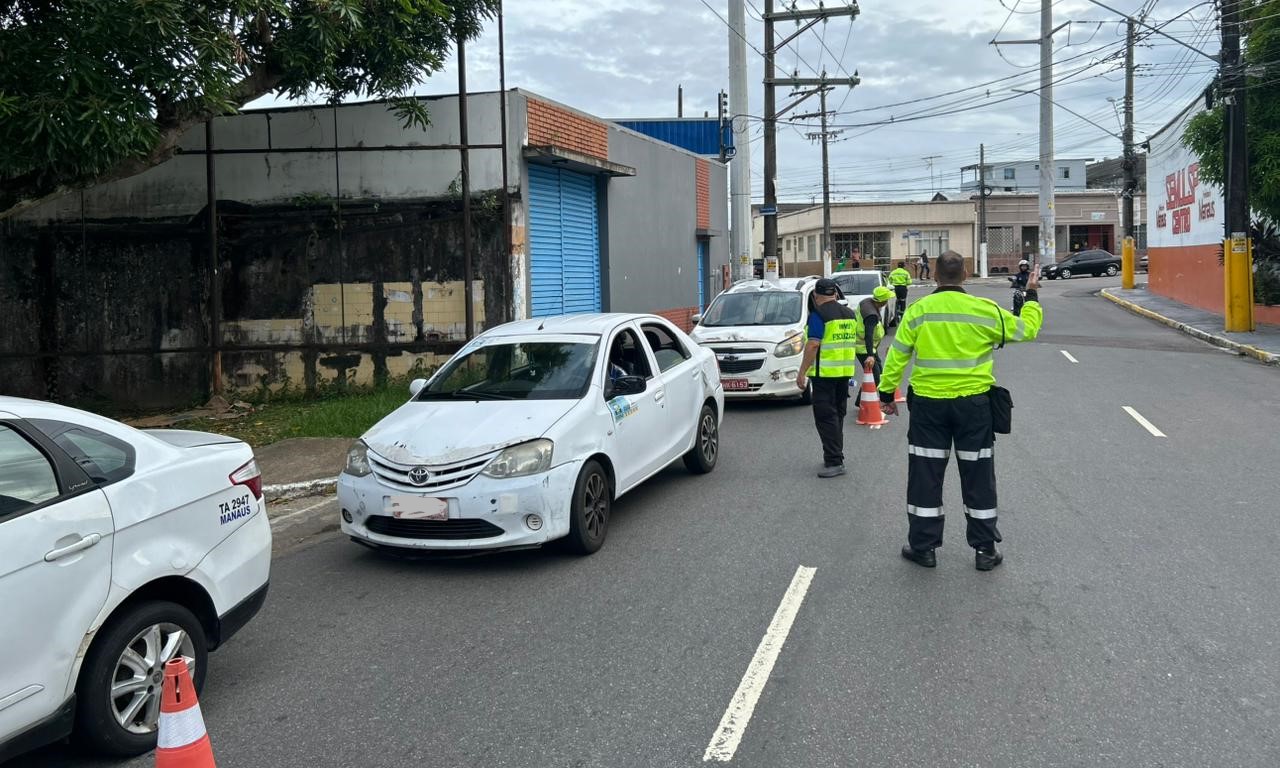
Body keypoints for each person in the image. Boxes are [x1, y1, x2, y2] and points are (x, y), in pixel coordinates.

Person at [878, 251, 1043, 571]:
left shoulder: (918, 311)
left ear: (935, 276)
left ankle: (923, 547)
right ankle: (984, 550)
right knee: (978, 475)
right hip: (974, 408)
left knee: (925, 477)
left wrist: (886, 393)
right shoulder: (985, 310)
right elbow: (1027, 330)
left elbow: (897, 355)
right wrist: (1032, 295)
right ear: (965, 274)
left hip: (928, 407)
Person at [796, 278, 859, 478]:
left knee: (825, 417)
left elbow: (813, 344)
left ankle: (834, 461)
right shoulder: (850, 314)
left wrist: (802, 371)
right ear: (835, 294)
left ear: (815, 296)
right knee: (837, 415)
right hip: (844, 373)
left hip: (824, 375)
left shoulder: (818, 315)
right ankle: (834, 455)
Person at [853, 285, 894, 406]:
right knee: (875, 376)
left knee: (879, 373)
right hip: (864, 349)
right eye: (886, 300)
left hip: (869, 348)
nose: (887, 302)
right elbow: (868, 335)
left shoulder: (866, 302)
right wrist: (870, 355)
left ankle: (862, 401)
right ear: (882, 301)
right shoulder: (871, 315)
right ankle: (862, 402)